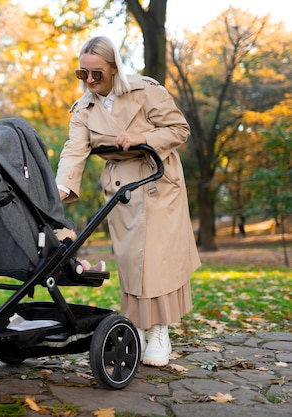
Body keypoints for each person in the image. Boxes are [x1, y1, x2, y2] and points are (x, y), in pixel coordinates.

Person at [55, 36, 201, 367]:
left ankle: (160, 332)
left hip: (157, 180)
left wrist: (143, 138)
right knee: (131, 262)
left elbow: (179, 129)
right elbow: (74, 150)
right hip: (121, 187)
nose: (90, 82)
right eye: (83, 74)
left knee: (155, 262)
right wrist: (60, 189)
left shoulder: (146, 91)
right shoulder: (84, 109)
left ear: (114, 69)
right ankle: (136, 327)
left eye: (97, 74)